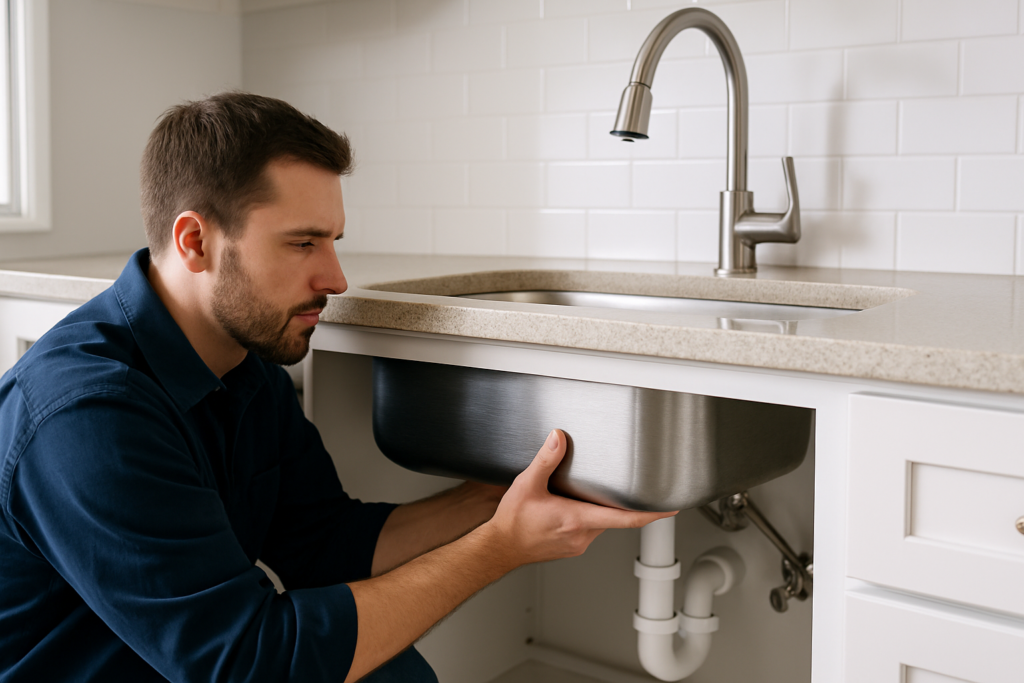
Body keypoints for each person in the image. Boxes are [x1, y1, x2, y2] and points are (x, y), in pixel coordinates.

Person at [0, 92, 673, 682]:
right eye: (303, 243)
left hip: (170, 659)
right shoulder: (86, 417)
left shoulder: (244, 363)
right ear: (195, 241)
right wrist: (500, 547)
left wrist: (497, 500)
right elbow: (249, 662)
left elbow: (325, 544)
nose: (336, 276)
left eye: (334, 240)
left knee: (389, 672)